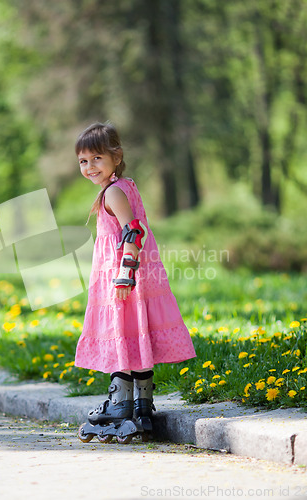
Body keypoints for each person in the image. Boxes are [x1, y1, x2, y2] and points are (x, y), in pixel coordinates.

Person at [74, 122, 196, 444]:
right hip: (135, 276)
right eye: (83, 162)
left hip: (123, 279)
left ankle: (120, 404)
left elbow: (134, 231)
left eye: (97, 159)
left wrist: (125, 273)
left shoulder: (113, 192)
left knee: (120, 335)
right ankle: (142, 406)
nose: (90, 168)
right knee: (133, 335)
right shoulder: (126, 186)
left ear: (116, 156)